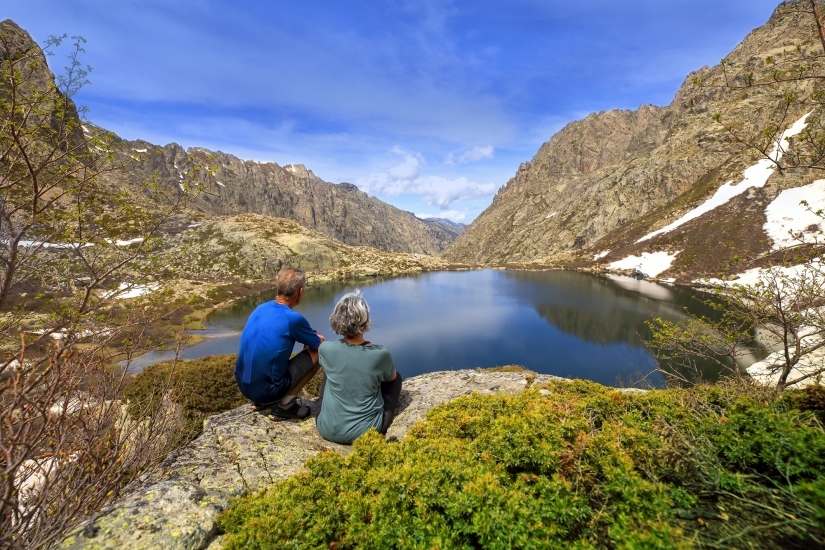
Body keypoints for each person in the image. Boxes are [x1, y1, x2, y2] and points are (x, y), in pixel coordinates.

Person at [234, 267, 325, 419]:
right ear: (300, 292)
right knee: (319, 353)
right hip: (268, 391)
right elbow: (319, 345)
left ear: (278, 287)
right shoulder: (293, 319)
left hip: (244, 387)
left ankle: (261, 402)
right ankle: (285, 406)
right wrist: (318, 339)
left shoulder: (259, 308)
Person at [316, 290, 402, 444]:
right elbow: (392, 378)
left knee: (329, 372)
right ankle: (383, 423)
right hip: (364, 433)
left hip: (326, 428)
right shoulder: (380, 354)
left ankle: (324, 410)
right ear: (365, 320)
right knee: (396, 379)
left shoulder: (326, 349)